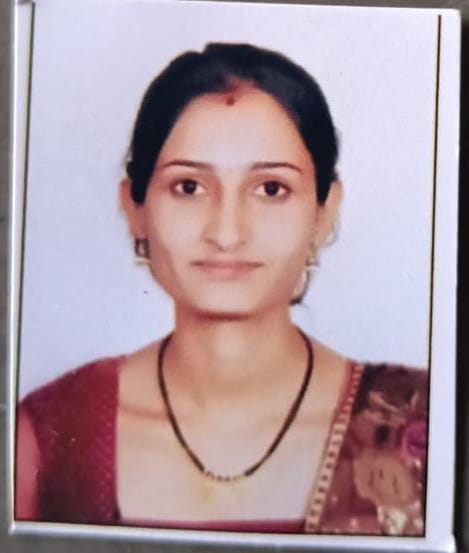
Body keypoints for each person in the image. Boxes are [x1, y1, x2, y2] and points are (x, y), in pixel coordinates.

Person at [15, 43, 428, 536]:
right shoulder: (54, 434)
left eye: (271, 189)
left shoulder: (422, 422)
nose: (227, 233)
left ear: (324, 212)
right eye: (189, 187)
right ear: (135, 207)